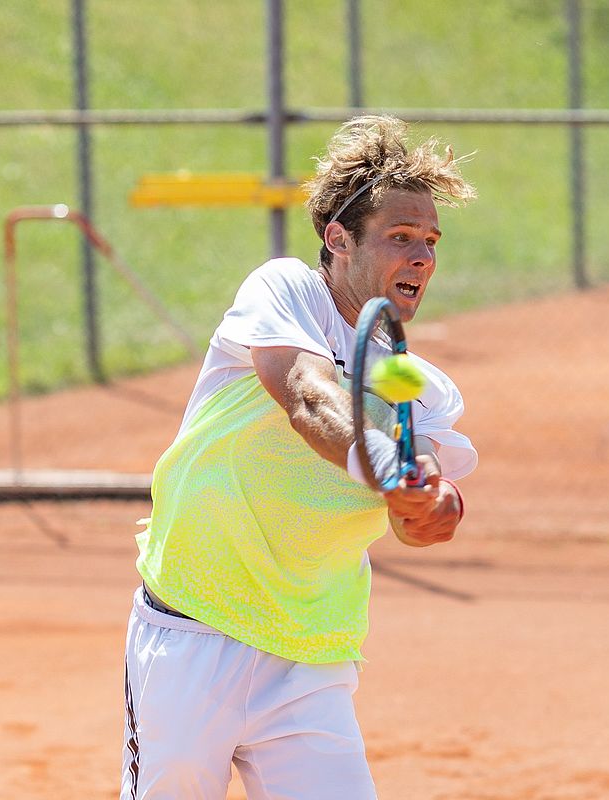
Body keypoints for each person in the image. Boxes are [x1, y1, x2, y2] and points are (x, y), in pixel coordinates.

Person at [122, 115, 478, 799]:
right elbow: (308, 397)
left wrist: (433, 505)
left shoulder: (418, 385)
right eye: (401, 236)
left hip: (309, 657)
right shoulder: (285, 292)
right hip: (192, 633)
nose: (422, 257)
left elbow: (421, 517)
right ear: (339, 240)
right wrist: (386, 465)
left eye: (431, 242)